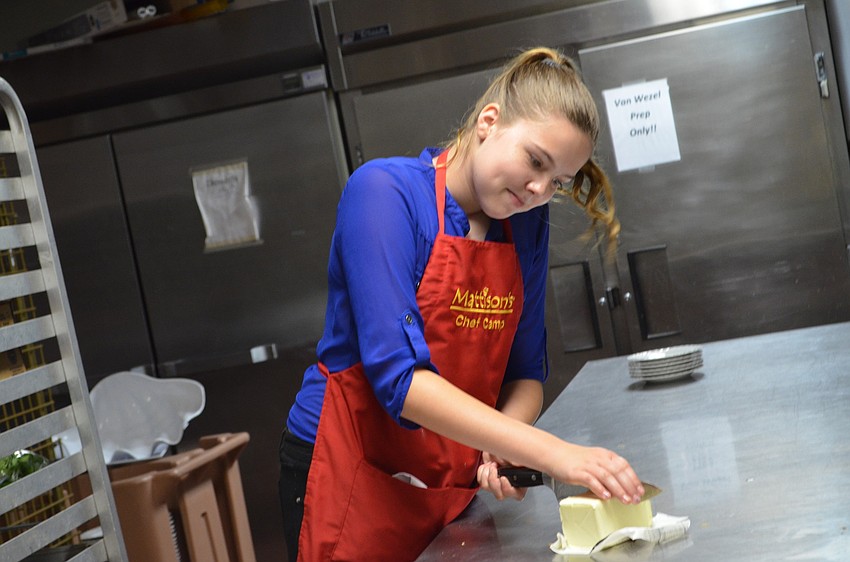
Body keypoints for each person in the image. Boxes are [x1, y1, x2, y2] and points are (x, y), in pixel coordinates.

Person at [278, 46, 644, 562]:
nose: (539, 189)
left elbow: (526, 374)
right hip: (345, 466)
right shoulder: (384, 194)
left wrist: (499, 445)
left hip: (447, 482)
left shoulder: (525, 224)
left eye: (557, 181)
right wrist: (555, 454)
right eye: (535, 161)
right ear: (488, 123)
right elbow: (399, 381)